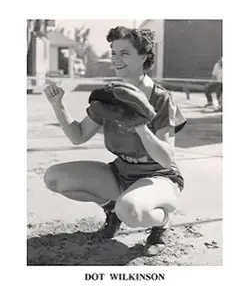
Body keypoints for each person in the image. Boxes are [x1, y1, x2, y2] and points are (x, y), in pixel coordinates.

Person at [43, 26, 187, 256]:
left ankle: (162, 223)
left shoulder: (161, 98)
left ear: (143, 56)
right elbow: (78, 136)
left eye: (124, 53)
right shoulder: (109, 95)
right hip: (121, 173)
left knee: (130, 211)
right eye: (113, 52)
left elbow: (166, 158)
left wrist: (139, 124)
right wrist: (58, 105)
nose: (116, 59)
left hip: (159, 176)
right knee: (55, 178)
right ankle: (112, 211)